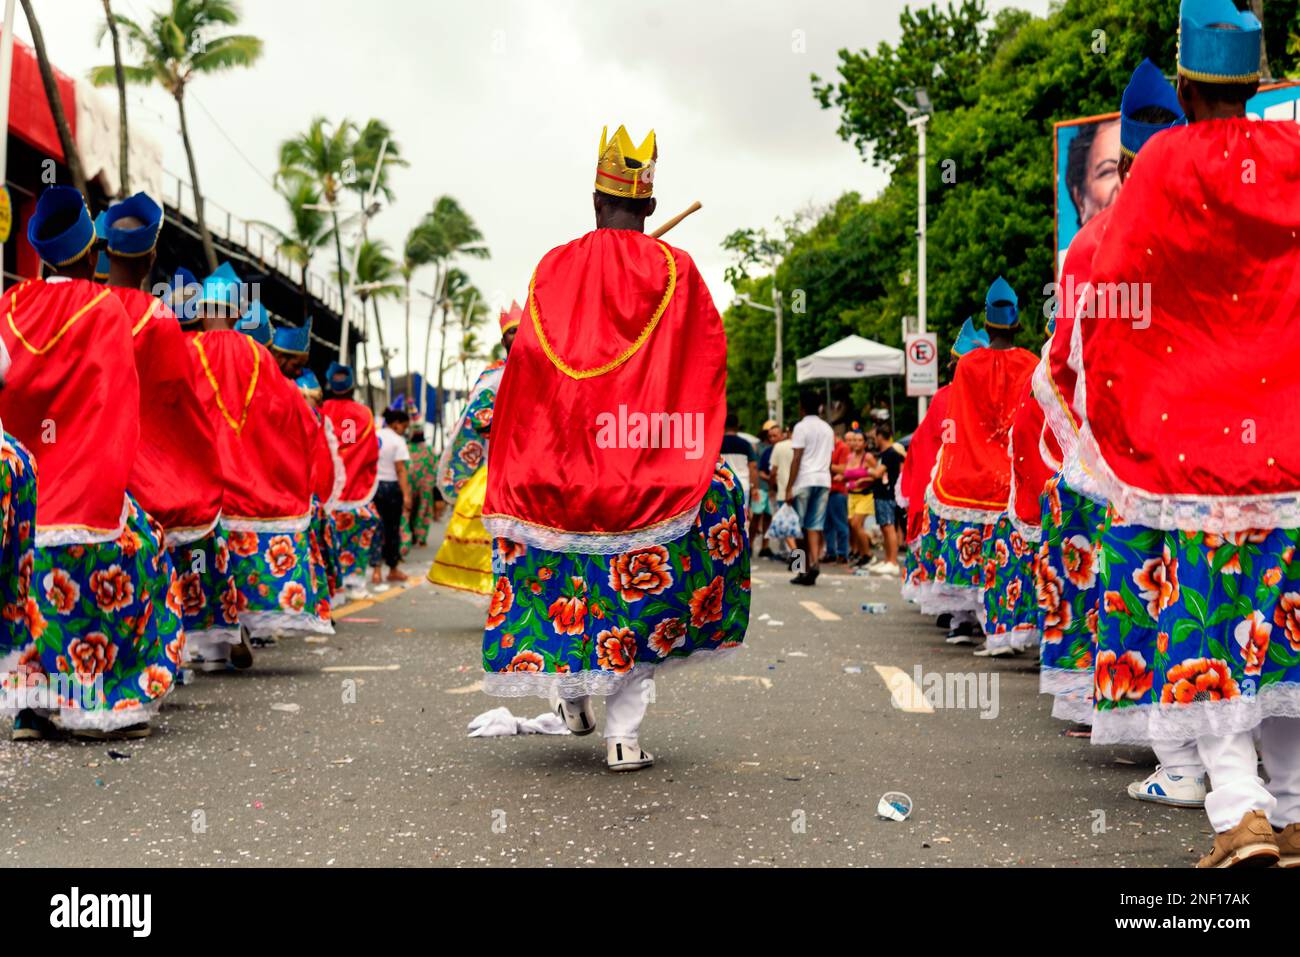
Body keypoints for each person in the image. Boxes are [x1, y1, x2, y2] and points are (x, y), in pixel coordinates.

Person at [1076, 0, 1300, 867]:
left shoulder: (1162, 164)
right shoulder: (1291, 159)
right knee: (1278, 630)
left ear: (1188, 79)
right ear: (1255, 76)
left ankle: (1240, 814)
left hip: (1189, 453)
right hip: (1285, 443)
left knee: (1205, 632)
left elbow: (1111, 288)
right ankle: (1288, 808)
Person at [478, 125, 750, 771]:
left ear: (595, 199)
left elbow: (531, 369)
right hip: (648, 470)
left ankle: (570, 695)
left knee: (565, 584)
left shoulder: (552, 265)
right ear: (650, 207)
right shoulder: (676, 268)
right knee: (643, 593)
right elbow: (707, 360)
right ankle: (623, 736)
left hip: (559, 471)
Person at [0, 186, 182, 739]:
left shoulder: (9, 307)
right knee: (149, 560)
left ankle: (32, 706)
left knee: (27, 584)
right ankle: (108, 704)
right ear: (90, 253)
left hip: (24, 503)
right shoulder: (104, 310)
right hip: (85, 493)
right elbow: (117, 408)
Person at [100, 193, 238, 670]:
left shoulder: (88, 307)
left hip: (87, 467)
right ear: (152, 256)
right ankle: (162, 659)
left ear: (103, 250)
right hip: (145, 470)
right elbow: (177, 402)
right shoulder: (158, 319)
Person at [190, 263, 333, 647]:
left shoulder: (184, 348)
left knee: (198, 565)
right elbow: (292, 415)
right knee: (236, 563)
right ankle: (238, 629)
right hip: (246, 482)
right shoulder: (257, 356)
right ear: (238, 313)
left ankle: (207, 646)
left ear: (201, 309)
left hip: (196, 483)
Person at [928, 280, 1038, 653]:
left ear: (987, 325)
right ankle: (1009, 628)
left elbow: (958, 421)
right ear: (1017, 322)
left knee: (975, 553)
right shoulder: (1032, 363)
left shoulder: (968, 365)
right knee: (1009, 558)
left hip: (973, 472)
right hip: (1014, 475)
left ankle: (965, 621)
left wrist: (955, 461)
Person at [428, 303, 518, 599]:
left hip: (532, 467)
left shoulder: (546, 369)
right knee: (486, 524)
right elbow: (478, 417)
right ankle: (494, 590)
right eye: (511, 332)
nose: (517, 337)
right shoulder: (492, 375)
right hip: (497, 466)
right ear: (502, 339)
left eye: (522, 330)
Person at [902, 318, 987, 623]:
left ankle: (961, 615)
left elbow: (925, 446)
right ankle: (983, 617)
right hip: (996, 487)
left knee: (958, 550)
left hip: (956, 486)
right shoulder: (995, 393)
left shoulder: (945, 397)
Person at [321, 363, 383, 598]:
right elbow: (370, 452)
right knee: (359, 533)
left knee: (328, 539)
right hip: (357, 488)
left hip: (327, 488)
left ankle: (332, 586)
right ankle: (355, 582)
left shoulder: (322, 409)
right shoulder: (364, 413)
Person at [785, 389, 835, 586]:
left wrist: (789, 487)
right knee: (814, 525)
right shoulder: (827, 429)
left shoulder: (800, 427)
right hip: (823, 479)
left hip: (804, 480)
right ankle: (814, 563)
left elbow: (796, 458)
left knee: (797, 528)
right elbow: (829, 459)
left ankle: (800, 569)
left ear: (802, 407)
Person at [375, 408, 412, 582]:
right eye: (404, 426)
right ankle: (393, 569)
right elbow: (400, 469)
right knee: (392, 530)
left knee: (376, 529)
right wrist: (406, 495)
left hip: (373, 487)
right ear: (396, 424)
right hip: (391, 488)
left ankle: (376, 571)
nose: (404, 430)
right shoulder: (398, 441)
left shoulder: (375, 436)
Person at [865, 423, 904, 576]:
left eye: (875, 437)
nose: (874, 440)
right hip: (881, 494)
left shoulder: (891, 453)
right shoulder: (885, 453)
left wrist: (867, 469)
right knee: (884, 527)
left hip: (888, 494)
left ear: (881, 436)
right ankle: (888, 559)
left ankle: (893, 561)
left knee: (889, 528)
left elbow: (878, 473)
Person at [719, 412, 758, 520]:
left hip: (722, 484)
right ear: (737, 426)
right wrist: (755, 488)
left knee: (724, 518)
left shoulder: (718, 443)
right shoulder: (745, 444)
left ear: (724, 425)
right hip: (742, 484)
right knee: (742, 518)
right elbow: (753, 467)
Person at [405, 427, 438, 548]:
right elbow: (435, 468)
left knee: (410, 510)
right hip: (426, 486)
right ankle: (422, 537)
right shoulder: (430, 450)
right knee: (424, 511)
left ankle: (411, 535)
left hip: (409, 484)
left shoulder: (406, 448)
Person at [767, 425, 796, 557]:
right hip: (802, 492)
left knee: (787, 529)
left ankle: (797, 561)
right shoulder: (807, 447)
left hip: (784, 493)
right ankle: (804, 562)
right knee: (801, 528)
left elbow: (773, 472)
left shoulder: (779, 447)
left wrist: (771, 488)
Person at [752, 420, 777, 556]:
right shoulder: (757, 447)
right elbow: (754, 468)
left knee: (768, 517)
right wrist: (754, 487)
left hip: (770, 487)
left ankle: (765, 546)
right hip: (760, 486)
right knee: (756, 516)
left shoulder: (775, 448)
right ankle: (749, 545)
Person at [826, 432, 851, 566]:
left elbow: (843, 469)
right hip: (828, 489)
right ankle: (831, 553)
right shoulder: (829, 448)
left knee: (840, 524)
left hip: (838, 490)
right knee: (827, 525)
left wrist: (826, 465)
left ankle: (842, 553)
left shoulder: (842, 448)